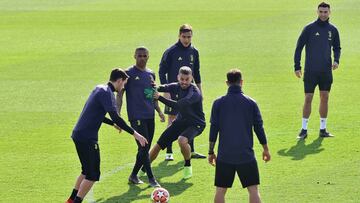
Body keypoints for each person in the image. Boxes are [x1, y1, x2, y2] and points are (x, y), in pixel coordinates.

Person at [65, 68, 148, 203]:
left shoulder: (99, 88)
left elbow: (96, 112)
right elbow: (116, 116)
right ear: (120, 80)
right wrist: (136, 134)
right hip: (87, 138)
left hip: (79, 134)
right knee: (93, 175)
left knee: (86, 171)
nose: (123, 87)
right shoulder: (107, 93)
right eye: (124, 84)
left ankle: (70, 200)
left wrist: (112, 124)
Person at [208, 69, 270, 203]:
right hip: (246, 155)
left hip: (225, 155)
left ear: (227, 83)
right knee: (253, 189)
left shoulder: (218, 103)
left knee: (220, 190)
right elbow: (259, 128)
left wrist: (211, 151)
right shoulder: (251, 103)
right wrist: (265, 148)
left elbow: (214, 128)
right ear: (241, 82)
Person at [116, 47, 164, 187]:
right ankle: (151, 178)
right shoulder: (128, 73)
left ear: (148, 57)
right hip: (136, 116)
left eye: (144, 56)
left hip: (149, 115)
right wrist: (117, 115)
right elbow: (120, 94)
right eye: (139, 56)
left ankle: (133, 176)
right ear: (134, 56)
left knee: (144, 148)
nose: (142, 58)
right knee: (144, 146)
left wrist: (159, 111)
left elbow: (151, 94)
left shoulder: (150, 74)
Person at [147, 66, 206, 179]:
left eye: (187, 79)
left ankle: (187, 165)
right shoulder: (176, 86)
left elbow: (178, 105)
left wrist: (159, 98)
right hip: (180, 122)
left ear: (191, 78)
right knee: (159, 144)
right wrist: (154, 86)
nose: (184, 82)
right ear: (178, 77)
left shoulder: (194, 93)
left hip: (196, 124)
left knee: (182, 140)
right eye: (182, 79)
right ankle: (144, 168)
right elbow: (164, 87)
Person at [294, 2, 341, 139]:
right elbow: (299, 48)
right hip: (310, 71)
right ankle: (303, 129)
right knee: (308, 98)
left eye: (325, 12)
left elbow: (337, 47)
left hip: (326, 71)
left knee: (324, 97)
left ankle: (323, 129)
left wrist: (336, 60)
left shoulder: (333, 30)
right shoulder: (309, 28)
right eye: (321, 11)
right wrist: (297, 66)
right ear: (317, 12)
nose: (323, 14)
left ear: (329, 12)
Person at [159, 24, 205, 160]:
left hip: (190, 93)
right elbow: (162, 71)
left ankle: (191, 151)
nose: (186, 40)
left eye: (189, 37)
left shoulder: (194, 51)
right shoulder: (171, 51)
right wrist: (165, 91)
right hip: (174, 91)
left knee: (191, 119)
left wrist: (199, 90)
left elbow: (197, 72)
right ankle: (169, 152)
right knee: (172, 120)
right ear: (179, 36)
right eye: (184, 37)